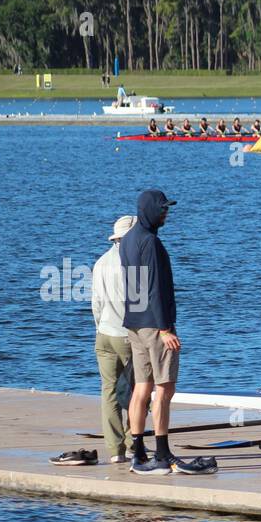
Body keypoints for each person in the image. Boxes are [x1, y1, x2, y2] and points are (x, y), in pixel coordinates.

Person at [119, 189, 200, 474]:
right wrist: (164, 328)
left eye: (167, 208)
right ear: (149, 210)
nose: (167, 212)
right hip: (155, 326)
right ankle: (163, 452)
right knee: (165, 389)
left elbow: (135, 287)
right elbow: (153, 287)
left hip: (134, 323)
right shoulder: (150, 242)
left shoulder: (127, 240)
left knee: (142, 388)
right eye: (163, 208)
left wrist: (141, 319)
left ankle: (138, 451)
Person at [90, 214, 137, 463]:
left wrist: (99, 328)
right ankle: (132, 443)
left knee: (109, 391)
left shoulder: (100, 263)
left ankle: (114, 450)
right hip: (127, 336)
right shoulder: (134, 264)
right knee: (133, 392)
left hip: (104, 334)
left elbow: (96, 303)